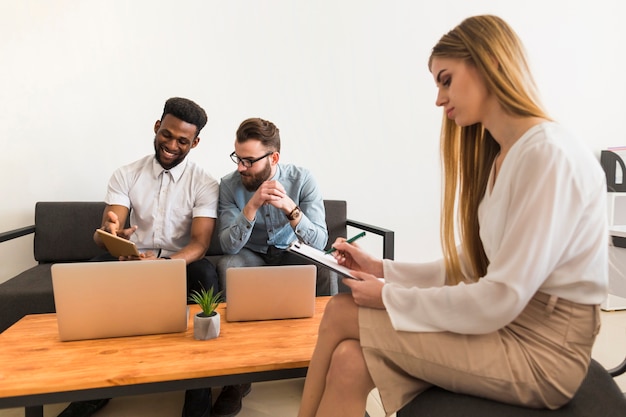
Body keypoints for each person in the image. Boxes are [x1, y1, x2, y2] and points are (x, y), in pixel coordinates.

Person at [297, 15, 608, 417]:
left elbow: (501, 296)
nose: (439, 99)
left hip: (542, 354)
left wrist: (390, 296)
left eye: (446, 79)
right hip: (508, 329)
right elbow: (470, 264)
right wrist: (384, 270)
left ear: (491, 63)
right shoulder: (506, 157)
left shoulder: (547, 155)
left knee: (340, 312)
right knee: (348, 363)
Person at [57, 97, 220, 417]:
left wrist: (162, 267)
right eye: (167, 134)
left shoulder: (205, 183)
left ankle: (198, 393)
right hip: (131, 261)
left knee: (207, 278)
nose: (172, 144)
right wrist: (111, 233)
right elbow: (109, 229)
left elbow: (200, 244)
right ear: (157, 127)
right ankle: (92, 389)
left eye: (182, 140)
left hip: (178, 263)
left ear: (195, 142)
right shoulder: (126, 174)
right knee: (86, 276)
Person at [210, 117, 331, 417]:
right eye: (238, 158)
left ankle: (323, 365)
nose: (241, 167)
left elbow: (320, 241)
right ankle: (238, 378)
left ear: (273, 157)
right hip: (251, 255)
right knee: (229, 265)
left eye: (249, 161)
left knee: (323, 267)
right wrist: (250, 207)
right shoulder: (228, 185)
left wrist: (291, 209)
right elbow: (227, 245)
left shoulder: (303, 179)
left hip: (291, 251)